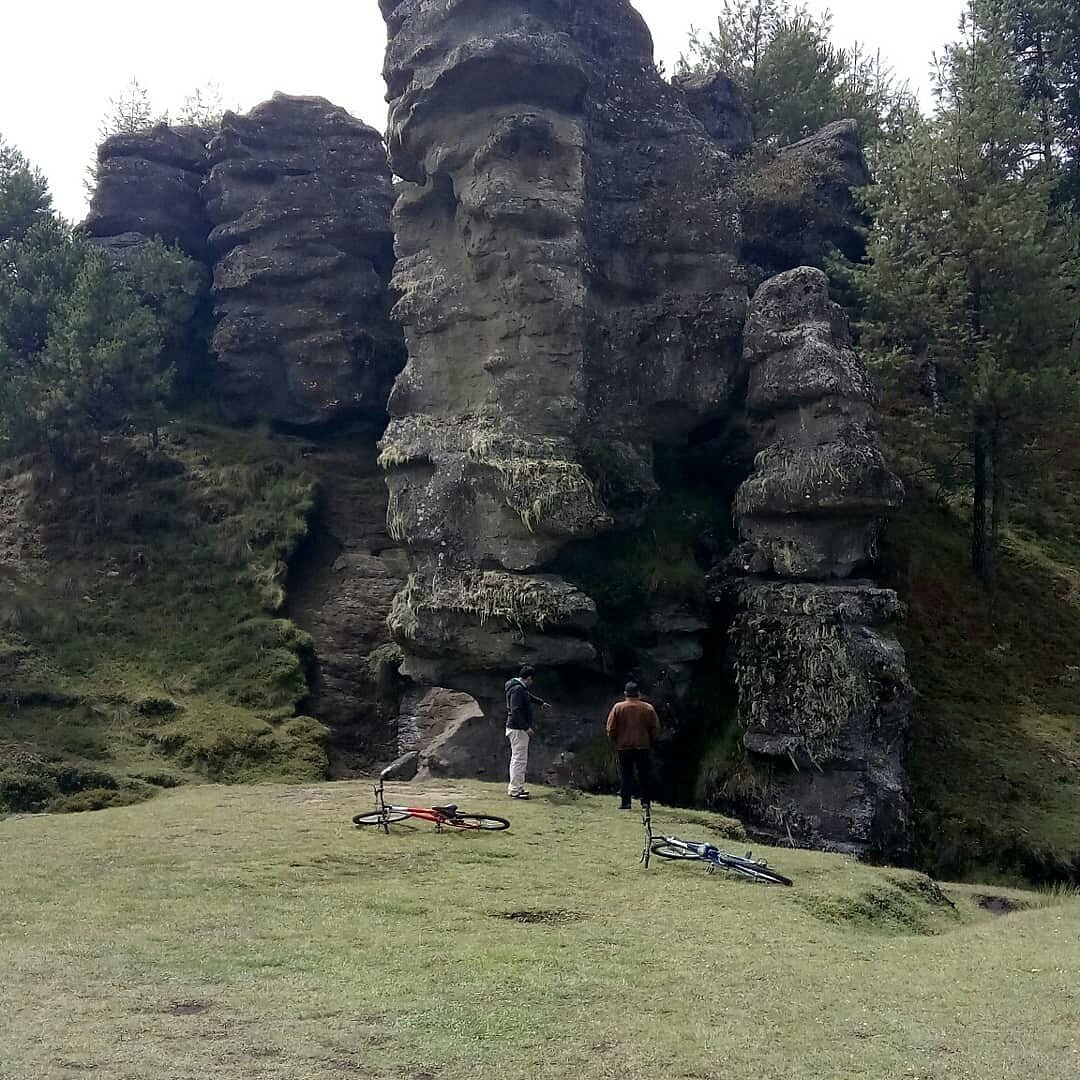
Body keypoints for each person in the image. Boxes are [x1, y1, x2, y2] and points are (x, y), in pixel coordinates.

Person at [606, 682, 659, 810]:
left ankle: (626, 803)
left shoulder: (618, 707)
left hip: (624, 746)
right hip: (643, 746)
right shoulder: (648, 708)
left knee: (626, 774)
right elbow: (655, 728)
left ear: (625, 694)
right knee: (644, 775)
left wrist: (615, 741)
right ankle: (646, 802)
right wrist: (651, 741)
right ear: (639, 694)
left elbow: (611, 728)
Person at [504, 665, 550, 800]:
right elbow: (515, 711)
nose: (532, 682)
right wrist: (526, 727)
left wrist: (541, 703)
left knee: (518, 759)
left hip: (516, 728)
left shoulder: (518, 688)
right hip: (518, 729)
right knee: (519, 760)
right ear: (529, 678)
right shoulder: (518, 690)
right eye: (532, 679)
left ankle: (517, 787)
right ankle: (515, 790)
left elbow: (528, 696)